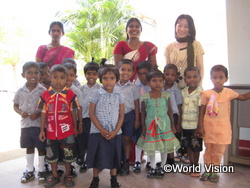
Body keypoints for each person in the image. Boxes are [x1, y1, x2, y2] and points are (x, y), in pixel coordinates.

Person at [197, 65, 250, 183]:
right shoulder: (206, 93)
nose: (217, 80)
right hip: (209, 128)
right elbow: (202, 110)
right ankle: (207, 170)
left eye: (221, 77)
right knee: (209, 150)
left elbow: (243, 97)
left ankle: (214, 171)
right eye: (215, 77)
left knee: (219, 151)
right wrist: (200, 126)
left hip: (223, 129)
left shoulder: (228, 93)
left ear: (226, 79)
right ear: (210, 78)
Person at [38, 64, 80, 187]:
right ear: (50, 77)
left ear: (66, 78)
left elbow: (73, 111)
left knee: (68, 153)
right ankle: (55, 175)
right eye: (55, 77)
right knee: (52, 154)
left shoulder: (70, 95)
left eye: (62, 77)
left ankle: (68, 174)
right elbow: (43, 113)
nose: (58, 80)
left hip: (67, 131)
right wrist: (42, 130)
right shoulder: (45, 95)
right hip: (51, 132)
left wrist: (76, 127)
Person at [86, 64, 124, 188]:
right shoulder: (96, 94)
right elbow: (91, 114)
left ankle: (113, 179)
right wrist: (101, 130)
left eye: (112, 78)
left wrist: (116, 131)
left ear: (116, 79)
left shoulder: (119, 94)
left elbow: (121, 115)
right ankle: (95, 179)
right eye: (105, 78)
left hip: (115, 132)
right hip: (98, 132)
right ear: (100, 79)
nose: (108, 81)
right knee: (98, 156)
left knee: (114, 156)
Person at [137, 71, 180, 178]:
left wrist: (173, 125)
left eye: (160, 81)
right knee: (151, 146)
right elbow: (143, 113)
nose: (158, 83)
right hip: (150, 125)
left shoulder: (166, 95)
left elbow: (170, 111)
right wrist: (143, 126)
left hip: (164, 124)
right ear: (148, 83)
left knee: (164, 146)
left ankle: (161, 166)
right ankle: (152, 166)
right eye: (154, 81)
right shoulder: (145, 97)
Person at [13, 61, 47, 183]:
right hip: (26, 125)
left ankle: (42, 169)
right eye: (29, 72)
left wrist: (38, 113)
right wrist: (20, 112)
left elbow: (47, 107)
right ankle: (30, 170)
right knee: (29, 146)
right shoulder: (20, 91)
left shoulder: (43, 91)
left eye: (36, 73)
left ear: (40, 75)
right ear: (23, 75)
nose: (33, 75)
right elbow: (15, 105)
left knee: (41, 147)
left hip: (39, 125)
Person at [164, 14, 204, 89]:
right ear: (175, 27)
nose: (182, 29)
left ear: (190, 29)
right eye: (179, 25)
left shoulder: (196, 45)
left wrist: (199, 86)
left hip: (192, 88)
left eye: (186, 26)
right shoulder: (169, 47)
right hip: (174, 89)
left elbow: (200, 67)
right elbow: (168, 70)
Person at [115, 59, 140, 176]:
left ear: (133, 72)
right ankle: (117, 162)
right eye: (123, 69)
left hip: (129, 116)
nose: (126, 72)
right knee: (117, 139)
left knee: (127, 139)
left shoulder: (134, 88)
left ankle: (125, 162)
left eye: (129, 70)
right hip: (115, 116)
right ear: (118, 70)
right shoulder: (113, 85)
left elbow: (136, 104)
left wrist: (137, 119)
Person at [113, 17, 158, 82]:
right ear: (126, 30)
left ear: (141, 30)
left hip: (142, 83)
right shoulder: (121, 45)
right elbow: (117, 68)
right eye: (131, 26)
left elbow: (153, 68)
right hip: (125, 83)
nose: (134, 28)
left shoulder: (149, 46)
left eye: (137, 27)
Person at [77, 60, 101, 173]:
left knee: (94, 141)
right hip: (84, 119)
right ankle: (83, 160)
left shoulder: (101, 89)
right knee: (84, 141)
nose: (91, 76)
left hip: (96, 120)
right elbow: (79, 106)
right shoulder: (80, 89)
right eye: (89, 73)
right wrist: (79, 121)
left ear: (98, 75)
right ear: (85, 74)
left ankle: (94, 162)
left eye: (94, 74)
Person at [63, 62, 84, 177]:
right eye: (65, 75)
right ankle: (67, 165)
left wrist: (80, 122)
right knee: (64, 144)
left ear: (75, 77)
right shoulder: (57, 90)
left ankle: (72, 165)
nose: (68, 78)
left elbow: (79, 108)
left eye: (71, 75)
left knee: (72, 144)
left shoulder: (77, 91)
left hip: (73, 122)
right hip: (61, 123)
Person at [181, 67, 203, 177]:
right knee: (188, 146)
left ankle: (196, 166)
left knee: (196, 147)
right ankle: (191, 165)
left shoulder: (201, 93)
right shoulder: (183, 92)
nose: (192, 79)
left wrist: (200, 126)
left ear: (199, 78)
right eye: (189, 77)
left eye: (195, 76)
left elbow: (201, 111)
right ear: (185, 80)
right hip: (185, 125)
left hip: (195, 126)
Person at [133, 60, 152, 173]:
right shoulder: (136, 86)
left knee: (150, 138)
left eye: (145, 73)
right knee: (139, 138)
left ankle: (150, 161)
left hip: (151, 115)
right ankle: (137, 160)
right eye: (140, 74)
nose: (142, 76)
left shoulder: (154, 85)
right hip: (139, 115)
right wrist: (137, 118)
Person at [163, 64, 183, 166]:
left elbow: (179, 107)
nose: (169, 77)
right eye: (167, 74)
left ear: (176, 76)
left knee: (170, 138)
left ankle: (170, 161)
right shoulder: (160, 88)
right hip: (161, 117)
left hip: (173, 117)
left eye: (172, 75)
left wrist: (178, 123)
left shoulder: (176, 90)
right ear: (163, 75)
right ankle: (164, 159)